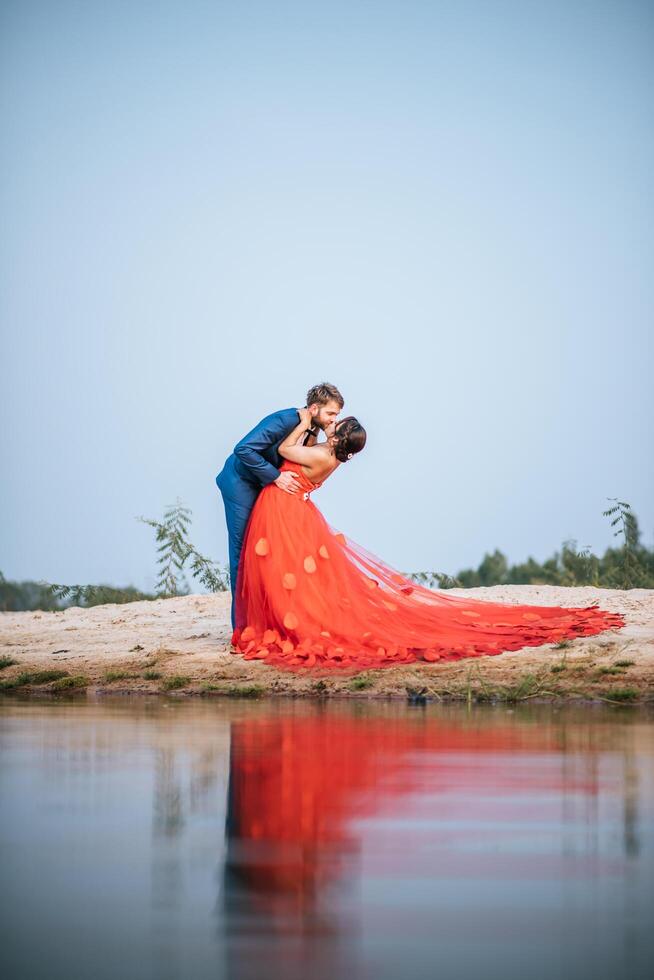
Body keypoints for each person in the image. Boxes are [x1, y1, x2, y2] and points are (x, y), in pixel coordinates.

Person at [230, 412, 627, 672]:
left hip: (285, 510)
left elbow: (283, 450)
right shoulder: (328, 457)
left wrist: (302, 422)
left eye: (337, 423)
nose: (332, 424)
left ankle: (282, 623)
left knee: (282, 570)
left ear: (338, 439)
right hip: (291, 508)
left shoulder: (319, 455)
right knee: (290, 573)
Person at [216, 383, 344, 628]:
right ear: (314, 408)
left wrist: (314, 433)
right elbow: (243, 449)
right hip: (240, 484)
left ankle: (269, 620)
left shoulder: (309, 427)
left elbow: (295, 455)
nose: (333, 420)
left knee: (266, 552)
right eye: (330, 413)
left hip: (265, 488)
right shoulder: (285, 419)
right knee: (243, 554)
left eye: (336, 415)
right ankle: (242, 630)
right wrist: (275, 476)